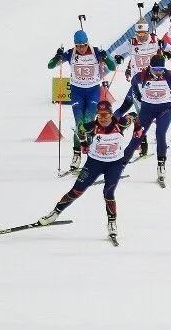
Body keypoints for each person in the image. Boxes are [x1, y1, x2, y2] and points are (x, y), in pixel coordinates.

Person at [37, 99, 141, 241]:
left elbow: (134, 115)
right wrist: (84, 144)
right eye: (100, 115)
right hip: (94, 163)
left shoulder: (121, 123)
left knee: (108, 193)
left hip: (114, 164)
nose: (102, 118)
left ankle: (112, 222)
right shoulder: (92, 127)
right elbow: (80, 129)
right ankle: (55, 213)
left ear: (111, 114)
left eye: (105, 115)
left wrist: (137, 128)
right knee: (77, 190)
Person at [47, 30, 117, 172]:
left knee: (88, 121)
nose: (81, 48)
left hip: (92, 92)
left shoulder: (96, 52)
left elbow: (112, 67)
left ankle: (92, 153)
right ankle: (77, 154)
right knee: (79, 124)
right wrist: (57, 56)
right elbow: (50, 65)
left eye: (83, 45)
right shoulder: (71, 53)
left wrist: (106, 57)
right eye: (78, 46)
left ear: (87, 43)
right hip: (77, 92)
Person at [117, 54, 171, 179]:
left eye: (160, 69)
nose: (158, 72)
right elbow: (133, 82)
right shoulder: (142, 76)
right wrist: (138, 95)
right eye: (155, 69)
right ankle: (120, 165)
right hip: (147, 109)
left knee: (160, 133)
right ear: (150, 67)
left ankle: (161, 164)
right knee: (137, 138)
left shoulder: (168, 75)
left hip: (165, 109)